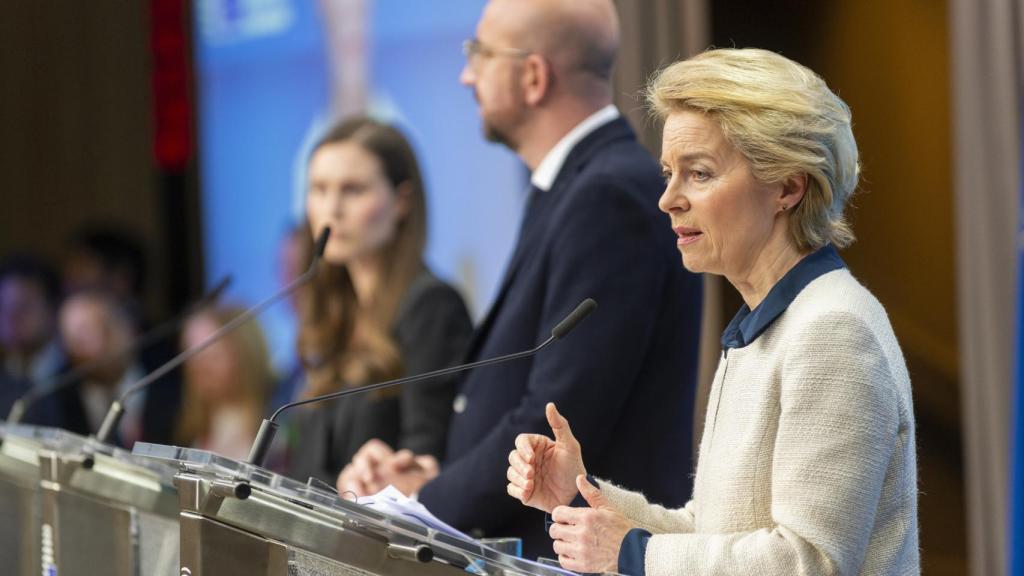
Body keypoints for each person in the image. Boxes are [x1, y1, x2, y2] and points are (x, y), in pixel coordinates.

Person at [506, 48, 919, 575]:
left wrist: (634, 554)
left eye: (698, 174)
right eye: (668, 174)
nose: (668, 200)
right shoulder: (766, 326)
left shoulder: (832, 331)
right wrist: (581, 496)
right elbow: (713, 534)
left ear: (788, 186)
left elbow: (809, 561)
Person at [337, 0, 703, 560]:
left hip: (581, 556)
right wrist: (435, 473)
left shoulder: (606, 197)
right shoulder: (573, 186)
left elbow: (558, 414)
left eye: (478, 55)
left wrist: (420, 501)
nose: (466, 75)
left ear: (533, 76)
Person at [285, 116, 473, 485]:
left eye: (352, 190)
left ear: (401, 202)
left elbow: (427, 456)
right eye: (319, 189)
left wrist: (370, 481)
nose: (331, 209)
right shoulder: (336, 313)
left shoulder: (432, 308)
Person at [175, 305, 273, 461]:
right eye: (191, 355)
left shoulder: (275, 429)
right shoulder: (196, 430)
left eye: (213, 356)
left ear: (245, 354)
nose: (199, 367)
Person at [0, 254, 64, 415]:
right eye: (4, 307)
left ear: (52, 310)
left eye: (24, 307)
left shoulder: (78, 374)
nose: (12, 317)